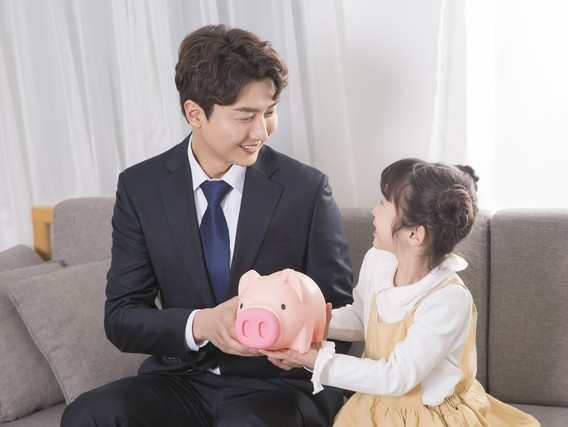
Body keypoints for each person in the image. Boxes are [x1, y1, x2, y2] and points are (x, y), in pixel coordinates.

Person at [61, 25, 353, 427]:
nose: (261, 131)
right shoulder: (140, 188)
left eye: (269, 112)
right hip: (180, 379)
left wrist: (291, 339)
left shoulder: (306, 188)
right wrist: (202, 324)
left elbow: (340, 312)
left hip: (278, 387)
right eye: (245, 116)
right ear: (195, 114)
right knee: (88, 415)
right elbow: (122, 317)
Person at [263, 159, 540, 426]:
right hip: (375, 405)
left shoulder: (447, 298)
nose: (374, 210)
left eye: (385, 204)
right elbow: (362, 318)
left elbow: (396, 377)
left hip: (426, 416)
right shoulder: (378, 260)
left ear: (414, 235)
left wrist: (317, 361)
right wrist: (302, 322)